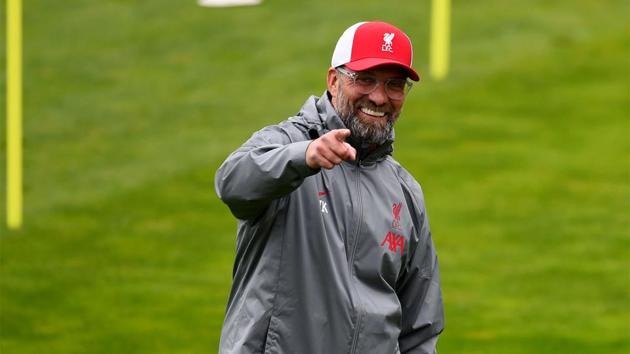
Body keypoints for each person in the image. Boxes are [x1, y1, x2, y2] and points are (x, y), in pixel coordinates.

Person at [215, 21, 444, 354]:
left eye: (394, 85)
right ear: (334, 80)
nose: (379, 97)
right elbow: (232, 182)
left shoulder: (405, 191)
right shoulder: (287, 144)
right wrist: (303, 158)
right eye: (365, 79)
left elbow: (420, 325)